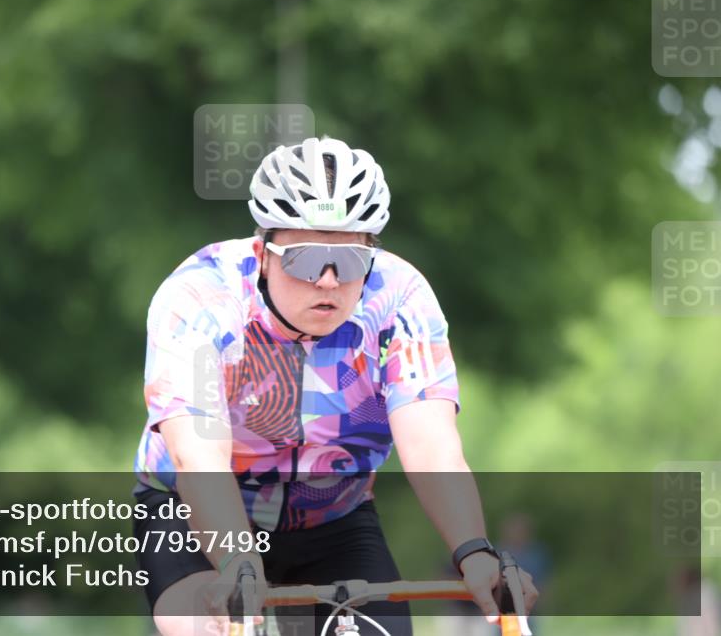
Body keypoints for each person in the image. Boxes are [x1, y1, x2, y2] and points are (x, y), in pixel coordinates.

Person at [132, 136, 538, 635]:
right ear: (262, 253)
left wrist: (474, 552)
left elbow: (432, 447)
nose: (328, 281)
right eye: (304, 259)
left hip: (333, 518)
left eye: (348, 262)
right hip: (196, 513)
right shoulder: (199, 299)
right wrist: (238, 563)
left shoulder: (400, 300)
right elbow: (199, 459)